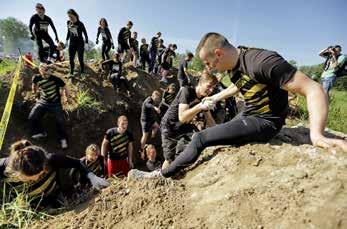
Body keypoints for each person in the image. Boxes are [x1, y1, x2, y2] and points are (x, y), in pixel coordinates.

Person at [129, 32, 347, 180]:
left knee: (201, 138)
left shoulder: (262, 62)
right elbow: (239, 84)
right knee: (212, 135)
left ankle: (161, 175)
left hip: (265, 121)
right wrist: (217, 98)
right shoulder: (234, 62)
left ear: (219, 53)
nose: (210, 69)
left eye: (208, 63)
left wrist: (317, 135)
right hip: (250, 113)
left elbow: (313, 88)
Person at [1, 141, 109, 208]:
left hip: (55, 198)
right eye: (28, 179)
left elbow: (77, 163)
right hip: (31, 209)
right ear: (16, 173)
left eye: (41, 174)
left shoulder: (51, 159)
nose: (36, 180)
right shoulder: (3, 169)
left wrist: (92, 176)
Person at [159, 71, 217, 170]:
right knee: (169, 158)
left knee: (199, 137)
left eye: (213, 88)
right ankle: (163, 175)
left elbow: (210, 119)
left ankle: (185, 166)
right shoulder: (186, 91)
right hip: (169, 126)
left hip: (183, 126)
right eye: (209, 86)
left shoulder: (203, 98)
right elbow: (182, 116)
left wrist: (220, 132)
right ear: (200, 83)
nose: (211, 90)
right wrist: (200, 106)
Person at [28, 63, 70, 149]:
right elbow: (34, 84)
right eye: (43, 73)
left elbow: (65, 86)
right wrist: (34, 93)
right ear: (40, 72)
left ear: (49, 71)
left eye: (47, 73)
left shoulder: (56, 79)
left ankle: (63, 139)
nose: (46, 75)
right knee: (32, 116)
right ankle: (41, 133)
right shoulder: (36, 78)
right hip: (43, 101)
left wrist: (66, 97)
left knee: (60, 121)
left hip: (55, 103)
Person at [66, 9, 88, 79]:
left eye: (71, 16)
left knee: (80, 58)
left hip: (80, 43)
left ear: (75, 15)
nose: (70, 18)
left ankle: (82, 72)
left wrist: (86, 43)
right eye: (69, 17)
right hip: (72, 43)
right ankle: (71, 72)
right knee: (71, 59)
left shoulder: (80, 24)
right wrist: (66, 40)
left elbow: (85, 34)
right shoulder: (68, 23)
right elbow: (68, 32)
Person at [140, 91, 161, 159]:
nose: (156, 100)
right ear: (153, 96)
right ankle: (141, 149)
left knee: (157, 127)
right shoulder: (148, 100)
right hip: (145, 121)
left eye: (157, 98)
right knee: (145, 135)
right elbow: (148, 105)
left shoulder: (153, 100)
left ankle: (152, 139)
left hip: (150, 119)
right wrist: (155, 108)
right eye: (156, 98)